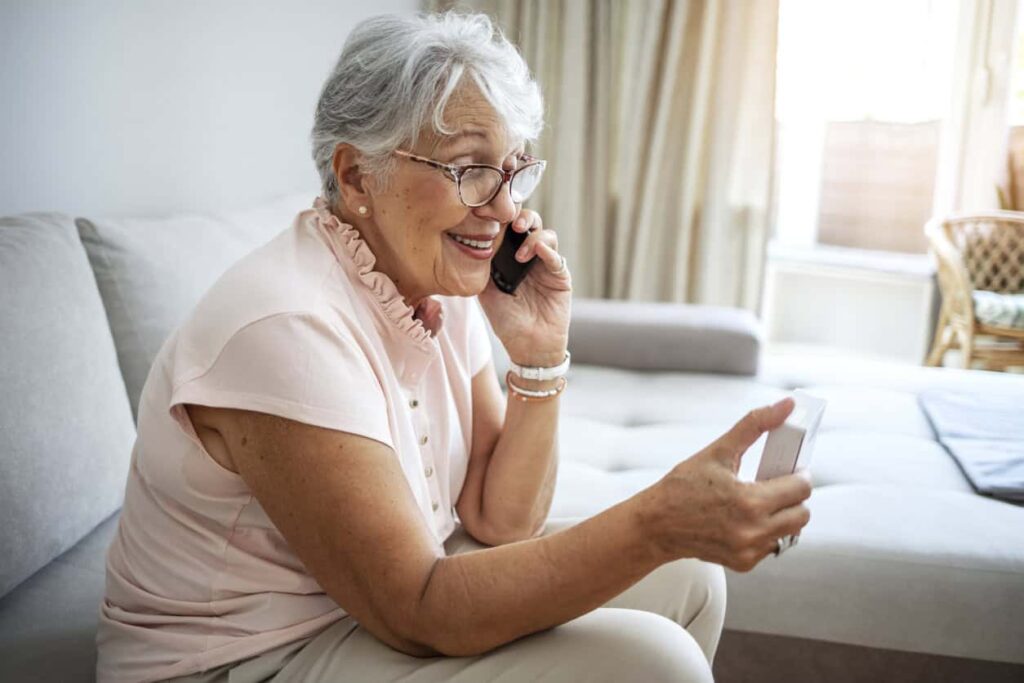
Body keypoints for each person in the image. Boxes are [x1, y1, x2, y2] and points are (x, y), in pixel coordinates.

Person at [96, 11, 811, 683]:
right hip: (248, 657)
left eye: (512, 169)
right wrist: (656, 520)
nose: (504, 208)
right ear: (355, 177)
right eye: (469, 167)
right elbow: (421, 606)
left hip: (368, 604)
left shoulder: (434, 280)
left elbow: (500, 519)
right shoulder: (285, 325)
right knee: (656, 659)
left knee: (693, 579)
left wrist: (538, 353)